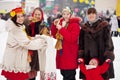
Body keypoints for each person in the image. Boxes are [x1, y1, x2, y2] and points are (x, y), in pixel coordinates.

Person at [0, 7, 47, 80]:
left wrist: (37, 38)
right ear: (14, 18)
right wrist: (42, 41)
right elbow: (27, 43)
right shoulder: (16, 29)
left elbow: (26, 38)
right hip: (16, 61)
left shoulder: (19, 26)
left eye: (22, 16)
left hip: (19, 59)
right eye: (18, 16)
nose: (21, 18)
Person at [78, 7, 115, 80]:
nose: (91, 15)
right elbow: (81, 45)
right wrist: (81, 56)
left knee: (102, 76)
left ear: (96, 15)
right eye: (89, 13)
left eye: (93, 13)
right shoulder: (84, 29)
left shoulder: (103, 26)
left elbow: (109, 43)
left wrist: (108, 56)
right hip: (88, 58)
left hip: (101, 57)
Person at [51, 6, 82, 80]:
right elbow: (55, 36)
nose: (65, 16)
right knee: (64, 74)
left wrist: (61, 29)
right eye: (64, 14)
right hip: (62, 54)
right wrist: (54, 25)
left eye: (67, 14)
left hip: (70, 55)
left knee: (69, 75)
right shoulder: (61, 23)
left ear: (71, 15)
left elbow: (72, 39)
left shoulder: (75, 25)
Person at [25, 7, 47, 80]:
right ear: (33, 15)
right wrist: (28, 22)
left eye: (39, 14)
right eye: (36, 14)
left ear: (42, 15)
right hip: (28, 51)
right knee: (26, 71)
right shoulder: (29, 23)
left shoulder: (44, 25)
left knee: (33, 72)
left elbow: (46, 38)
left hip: (38, 52)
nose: (37, 16)